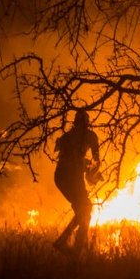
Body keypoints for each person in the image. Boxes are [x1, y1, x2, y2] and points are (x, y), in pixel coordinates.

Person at [52, 108, 100, 255]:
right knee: (85, 210)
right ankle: (75, 249)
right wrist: (92, 173)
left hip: (61, 176)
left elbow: (65, 155)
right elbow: (96, 160)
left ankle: (67, 243)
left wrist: (86, 167)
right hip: (71, 176)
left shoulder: (67, 136)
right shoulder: (90, 136)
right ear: (87, 122)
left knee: (84, 210)